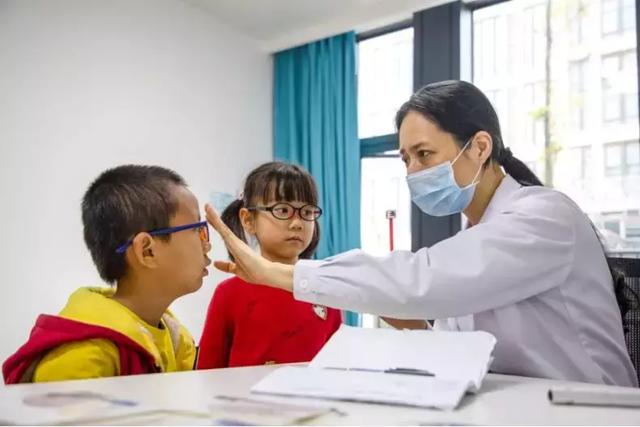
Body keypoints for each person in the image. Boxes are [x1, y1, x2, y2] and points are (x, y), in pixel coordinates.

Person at [204, 80, 637, 387]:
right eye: (405, 159)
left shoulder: (544, 215)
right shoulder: (475, 236)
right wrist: (411, 324)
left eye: (424, 154)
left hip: (588, 408)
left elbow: (421, 279)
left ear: (480, 147)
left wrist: (276, 273)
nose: (413, 171)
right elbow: (462, 348)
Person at [3, 165, 211, 383]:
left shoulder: (173, 335)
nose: (207, 245)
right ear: (147, 251)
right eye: (198, 229)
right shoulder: (82, 357)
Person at [197, 162, 341, 369]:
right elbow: (207, 372)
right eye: (283, 210)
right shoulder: (229, 294)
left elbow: (336, 368)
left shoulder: (325, 290)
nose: (297, 223)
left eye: (307, 212)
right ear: (248, 220)